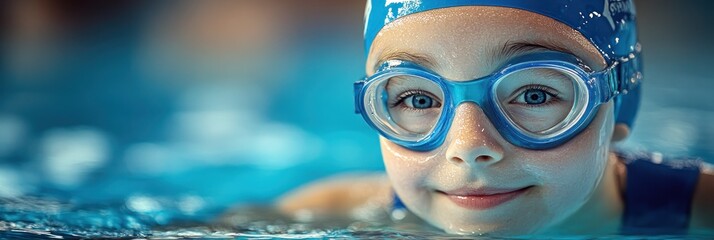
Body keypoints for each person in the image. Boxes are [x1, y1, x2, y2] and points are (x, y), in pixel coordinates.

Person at [277, 0, 714, 235]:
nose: (469, 148)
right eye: (418, 100)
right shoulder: (332, 211)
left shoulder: (700, 210)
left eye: (534, 94)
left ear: (622, 100)